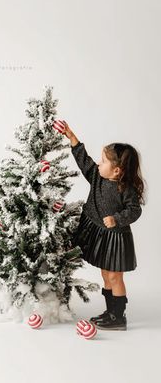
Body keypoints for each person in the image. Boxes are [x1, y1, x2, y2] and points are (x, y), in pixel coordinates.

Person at [62, 121, 146, 331]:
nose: (98, 164)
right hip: (97, 231)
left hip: (115, 236)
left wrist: (117, 219)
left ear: (117, 171)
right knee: (104, 274)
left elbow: (135, 210)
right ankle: (110, 312)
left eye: (103, 161)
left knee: (114, 276)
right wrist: (73, 139)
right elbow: (84, 161)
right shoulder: (96, 176)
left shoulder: (125, 188)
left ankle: (118, 316)